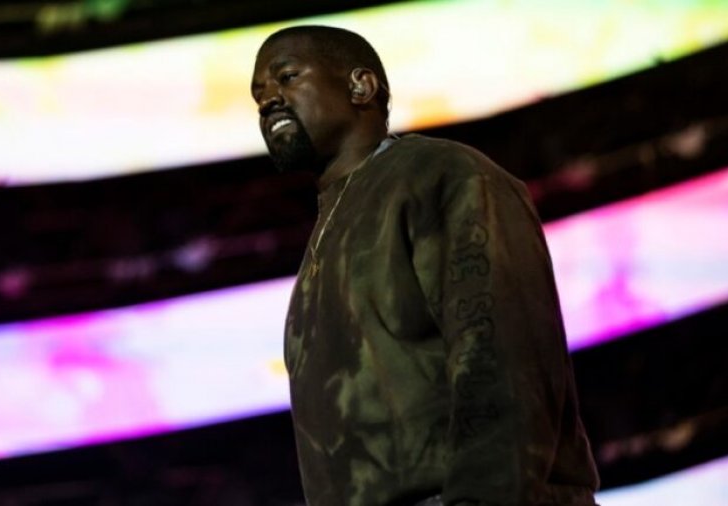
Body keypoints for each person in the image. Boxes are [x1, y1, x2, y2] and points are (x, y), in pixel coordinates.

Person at [250, 25, 600, 506]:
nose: (268, 101)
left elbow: (501, 354)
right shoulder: (326, 233)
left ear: (361, 86)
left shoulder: (441, 175)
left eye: (287, 77)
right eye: (259, 95)